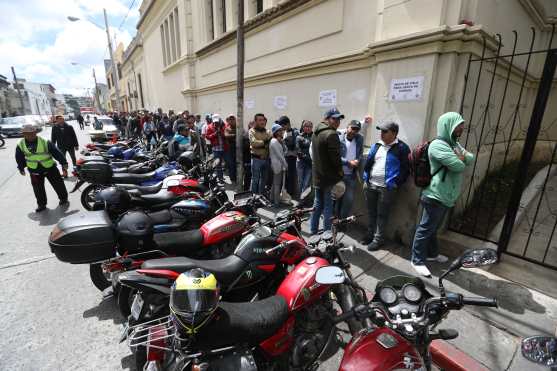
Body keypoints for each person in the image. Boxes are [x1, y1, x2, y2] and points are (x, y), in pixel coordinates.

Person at [410, 112, 474, 277]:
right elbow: (458, 166)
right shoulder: (438, 145)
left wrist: (461, 157)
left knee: (433, 227)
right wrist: (460, 158)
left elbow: (470, 158)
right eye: (458, 125)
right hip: (435, 195)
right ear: (448, 126)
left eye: (462, 125)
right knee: (425, 228)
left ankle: (431, 254)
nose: (462, 128)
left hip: (446, 195)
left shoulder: (454, 144)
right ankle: (416, 260)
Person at [361, 121, 410, 251]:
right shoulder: (377, 145)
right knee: (371, 212)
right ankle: (370, 234)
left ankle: (378, 239)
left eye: (385, 131)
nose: (381, 134)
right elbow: (368, 163)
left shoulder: (402, 148)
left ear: (394, 133)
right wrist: (366, 178)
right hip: (371, 185)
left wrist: (395, 183)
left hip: (386, 188)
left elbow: (406, 169)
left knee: (382, 214)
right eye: (381, 131)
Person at [16, 124, 69, 212]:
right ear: (23, 134)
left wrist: (63, 163)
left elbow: (56, 152)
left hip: (50, 168)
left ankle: (63, 199)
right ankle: (41, 204)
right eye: (26, 134)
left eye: (31, 133)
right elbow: (19, 157)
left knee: (58, 184)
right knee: (38, 189)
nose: (29, 135)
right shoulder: (20, 144)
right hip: (34, 171)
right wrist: (21, 168)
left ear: (35, 133)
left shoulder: (44, 141)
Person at [310, 108, 344, 234]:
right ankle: (326, 234)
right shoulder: (331, 134)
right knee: (328, 206)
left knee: (318, 204)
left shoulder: (316, 132)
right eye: (334, 118)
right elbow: (336, 159)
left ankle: (313, 231)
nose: (337, 121)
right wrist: (340, 173)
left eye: (339, 119)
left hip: (318, 176)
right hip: (329, 178)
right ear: (327, 119)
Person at [336, 120, 365, 219]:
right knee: (336, 199)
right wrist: (347, 162)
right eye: (352, 128)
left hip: (351, 175)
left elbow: (361, 152)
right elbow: (334, 156)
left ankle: (342, 221)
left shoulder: (359, 139)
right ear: (347, 127)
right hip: (338, 175)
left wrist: (357, 160)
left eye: (356, 130)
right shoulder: (338, 137)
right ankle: (333, 221)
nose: (354, 131)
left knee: (348, 200)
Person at [249, 113, 272, 195]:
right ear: (255, 121)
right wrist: (265, 142)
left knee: (264, 179)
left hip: (266, 159)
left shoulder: (268, 132)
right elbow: (254, 143)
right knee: (255, 179)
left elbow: (270, 144)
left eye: (263, 120)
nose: (262, 122)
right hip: (256, 159)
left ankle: (261, 195)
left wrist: (261, 145)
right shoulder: (252, 131)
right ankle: (253, 197)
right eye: (259, 120)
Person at [278, 116, 299, 199]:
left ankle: (290, 194)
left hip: (292, 158)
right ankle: (286, 193)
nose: (282, 128)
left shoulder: (295, 132)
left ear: (288, 124)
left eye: (283, 126)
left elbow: (296, 146)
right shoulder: (285, 132)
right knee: (286, 177)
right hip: (285, 158)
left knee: (291, 176)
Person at [270, 124, 288, 206]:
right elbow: (280, 155)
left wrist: (283, 143)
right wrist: (285, 164)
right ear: (276, 132)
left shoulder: (277, 141)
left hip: (278, 165)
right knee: (277, 184)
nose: (282, 132)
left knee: (275, 183)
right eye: (280, 130)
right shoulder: (274, 142)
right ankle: (276, 202)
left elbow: (284, 152)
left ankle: (272, 199)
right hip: (277, 165)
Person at [205, 114, 228, 183]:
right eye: (215, 122)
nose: (216, 123)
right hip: (216, 149)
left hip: (225, 148)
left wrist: (221, 131)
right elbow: (207, 136)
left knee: (228, 163)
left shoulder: (224, 125)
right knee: (218, 164)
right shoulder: (209, 127)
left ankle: (230, 177)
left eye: (217, 122)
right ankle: (220, 179)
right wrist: (215, 133)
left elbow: (226, 134)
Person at [296, 120, 313, 194]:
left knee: (306, 182)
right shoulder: (299, 137)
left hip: (310, 163)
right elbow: (298, 151)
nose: (308, 128)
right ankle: (299, 198)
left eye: (310, 126)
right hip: (301, 162)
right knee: (300, 181)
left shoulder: (314, 137)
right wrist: (306, 158)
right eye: (306, 126)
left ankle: (303, 199)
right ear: (303, 127)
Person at [224, 114, 237, 183]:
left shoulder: (239, 128)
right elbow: (226, 135)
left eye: (233, 119)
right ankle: (232, 178)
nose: (232, 121)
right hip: (230, 149)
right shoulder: (227, 128)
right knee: (231, 164)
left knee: (238, 164)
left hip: (239, 149)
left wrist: (232, 136)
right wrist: (235, 135)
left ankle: (238, 178)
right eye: (230, 119)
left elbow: (243, 135)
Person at [242, 121, 255, 191]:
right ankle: (246, 190)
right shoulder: (246, 135)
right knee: (248, 175)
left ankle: (249, 189)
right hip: (247, 158)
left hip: (252, 158)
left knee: (251, 175)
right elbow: (246, 147)